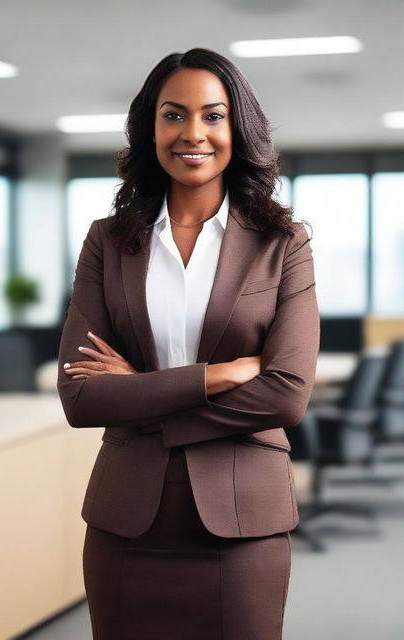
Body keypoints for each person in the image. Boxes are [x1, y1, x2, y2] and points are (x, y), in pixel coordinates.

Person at [57, 47, 319, 640]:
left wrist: (144, 395)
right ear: (150, 128)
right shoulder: (108, 242)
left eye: (213, 115)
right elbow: (81, 398)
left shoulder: (284, 244)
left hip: (242, 525)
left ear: (238, 128)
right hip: (126, 524)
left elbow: (285, 397)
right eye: (173, 115)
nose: (192, 133)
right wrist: (216, 376)